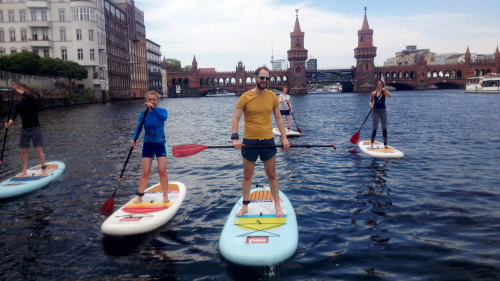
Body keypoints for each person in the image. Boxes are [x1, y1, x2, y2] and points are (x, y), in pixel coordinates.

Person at [231, 66, 290, 217]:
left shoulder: (272, 96)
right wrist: (235, 138)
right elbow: (236, 118)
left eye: (267, 78)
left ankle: (277, 205)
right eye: (262, 78)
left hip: (267, 141)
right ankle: (245, 206)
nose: (264, 81)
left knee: (271, 174)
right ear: (255, 78)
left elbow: (278, 118)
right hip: (249, 142)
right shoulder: (245, 97)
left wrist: (284, 138)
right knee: (247, 175)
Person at [131, 91, 169, 203]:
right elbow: (138, 128)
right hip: (148, 144)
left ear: (157, 101)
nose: (152, 101)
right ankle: (140, 196)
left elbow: (163, 118)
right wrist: (134, 138)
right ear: (146, 101)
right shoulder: (143, 115)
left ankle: (165, 196)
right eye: (150, 100)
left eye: (154, 99)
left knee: (161, 170)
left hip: (160, 144)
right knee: (145, 172)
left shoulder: (162, 111)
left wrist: (153, 108)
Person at [5, 82, 47, 176]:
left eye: (23, 91)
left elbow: (28, 96)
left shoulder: (33, 100)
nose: (21, 93)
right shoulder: (18, 104)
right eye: (20, 91)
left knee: (38, 149)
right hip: (25, 130)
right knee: (24, 151)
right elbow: (13, 115)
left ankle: (43, 169)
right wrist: (9, 123)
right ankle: (24, 171)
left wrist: (17, 89)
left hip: (35, 128)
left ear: (27, 91)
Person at [369, 80, 393, 149]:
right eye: (378, 84)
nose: (379, 85)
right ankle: (372, 144)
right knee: (375, 128)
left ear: (382, 85)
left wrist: (386, 90)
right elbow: (370, 101)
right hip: (375, 112)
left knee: (384, 128)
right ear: (377, 85)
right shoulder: (373, 93)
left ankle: (385, 144)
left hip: (383, 111)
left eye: (380, 84)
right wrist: (371, 105)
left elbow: (390, 96)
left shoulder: (384, 92)